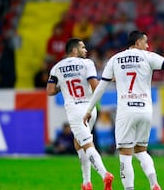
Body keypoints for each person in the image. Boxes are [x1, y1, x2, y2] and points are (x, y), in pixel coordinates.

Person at [83, 30, 164, 190]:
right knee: (141, 151)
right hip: (145, 111)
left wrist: (89, 109)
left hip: (126, 111)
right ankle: (154, 184)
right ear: (137, 43)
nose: (148, 46)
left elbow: (100, 89)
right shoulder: (148, 57)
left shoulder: (114, 59)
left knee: (125, 156)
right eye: (145, 42)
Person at [46, 38, 114, 190]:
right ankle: (86, 183)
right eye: (83, 47)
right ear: (74, 50)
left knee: (86, 144)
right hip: (90, 109)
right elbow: (95, 86)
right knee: (79, 143)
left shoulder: (57, 67)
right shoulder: (87, 63)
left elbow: (50, 91)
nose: (86, 50)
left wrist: (62, 86)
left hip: (75, 111)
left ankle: (105, 175)